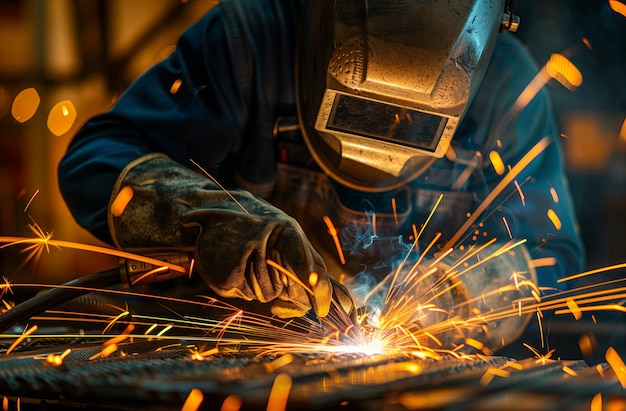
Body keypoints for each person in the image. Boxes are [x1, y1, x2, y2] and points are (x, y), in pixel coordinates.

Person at [57, 0, 584, 348]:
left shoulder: (508, 87)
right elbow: (94, 161)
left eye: (417, 122)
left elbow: (551, 258)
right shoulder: (252, 42)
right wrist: (200, 216)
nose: (388, 130)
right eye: (358, 110)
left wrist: (447, 293)